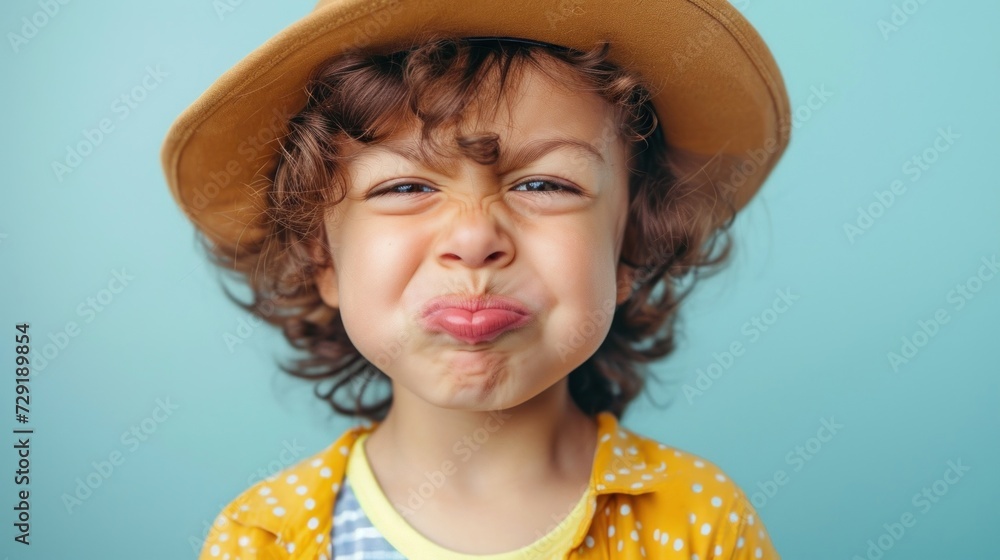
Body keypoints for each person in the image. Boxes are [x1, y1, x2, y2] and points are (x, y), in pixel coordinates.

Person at [161, 0, 792, 558]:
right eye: (404, 186)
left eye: (545, 184)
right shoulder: (264, 540)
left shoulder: (703, 524)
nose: (474, 239)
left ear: (630, 247)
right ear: (320, 257)